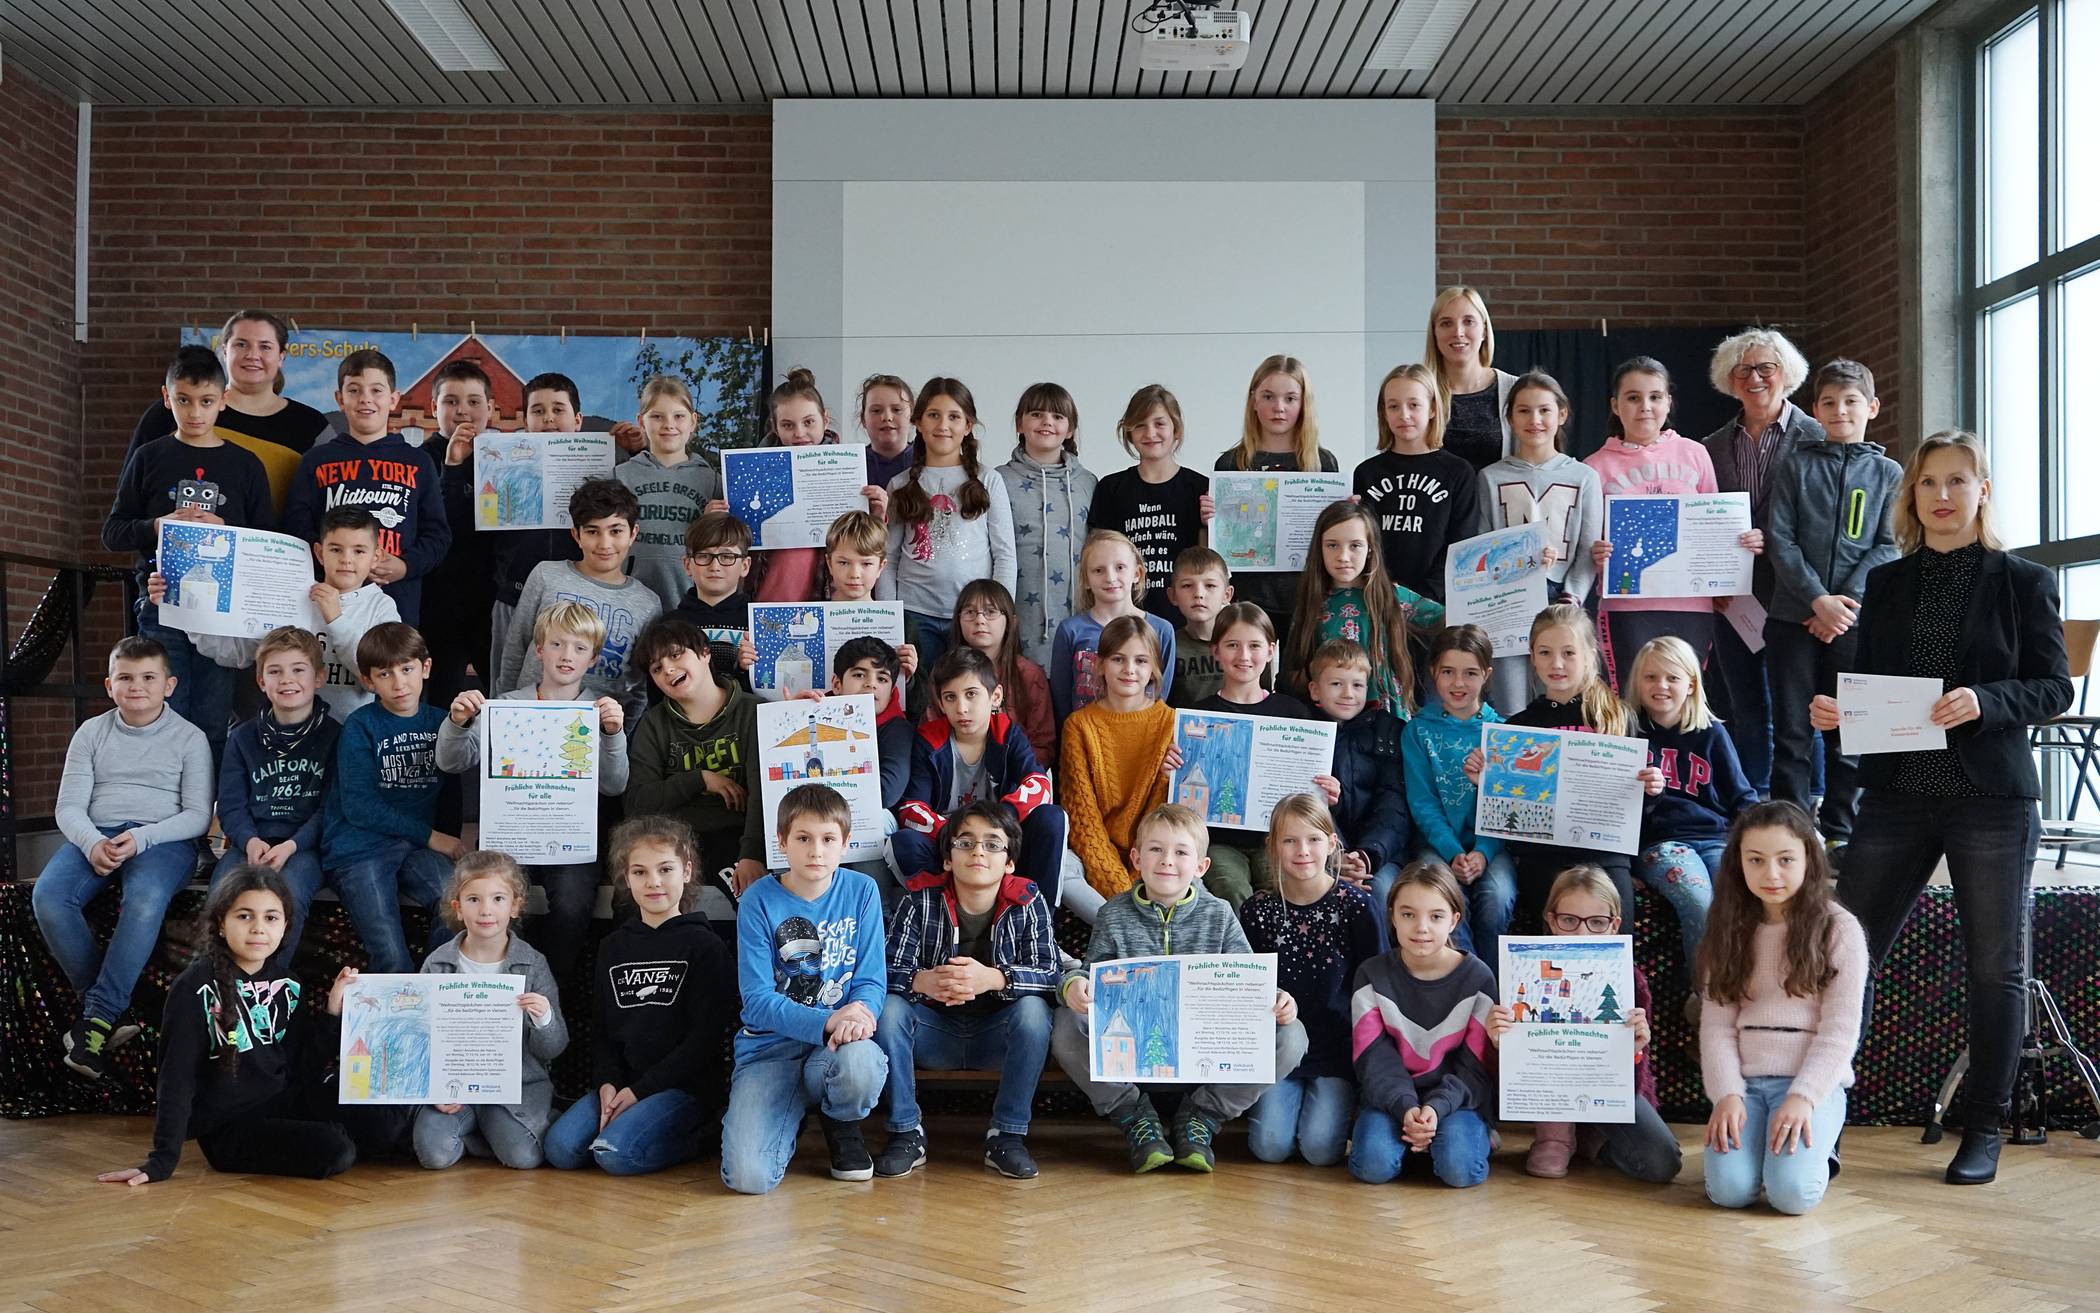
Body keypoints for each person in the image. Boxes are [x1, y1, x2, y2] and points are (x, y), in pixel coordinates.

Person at [1810, 429, 2072, 1185]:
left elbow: (2055, 687)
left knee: (1996, 968)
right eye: (1930, 482)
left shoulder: (2022, 580)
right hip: (1894, 796)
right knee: (1843, 957)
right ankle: (1819, 1115)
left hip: (1991, 797)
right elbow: (1866, 690)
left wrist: (1985, 701)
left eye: (1959, 481)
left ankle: (1984, 1125)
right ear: (1912, 493)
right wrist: (1837, 712)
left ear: (1982, 490)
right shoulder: (1887, 584)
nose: (1944, 495)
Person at [1050, 803, 1307, 1172]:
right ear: (1137, 858)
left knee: (1291, 1035)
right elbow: (1091, 977)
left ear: (1201, 867)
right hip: (1133, 1053)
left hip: (1204, 1056)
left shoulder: (1219, 915)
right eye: (1155, 849)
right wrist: (1074, 986)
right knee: (1065, 1022)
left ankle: (1202, 1117)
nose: (1167, 860)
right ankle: (1134, 1116)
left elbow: (1250, 985)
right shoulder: (1114, 914)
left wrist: (1278, 1000)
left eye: (1181, 852)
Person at [95, 868, 377, 1184]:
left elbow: (300, 1068)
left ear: (285, 927)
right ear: (220, 923)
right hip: (228, 1129)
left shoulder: (289, 985)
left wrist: (331, 1012)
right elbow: (176, 1078)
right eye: (245, 916)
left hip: (279, 1104)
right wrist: (161, 1159)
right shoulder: (194, 988)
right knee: (336, 1149)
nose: (258, 928)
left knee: (378, 1114)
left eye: (271, 918)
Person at [34, 636, 213, 1080]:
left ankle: (95, 1018)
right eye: (125, 678)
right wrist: (92, 842)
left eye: (148, 677)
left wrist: (143, 839)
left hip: (163, 840)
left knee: (146, 898)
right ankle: (105, 1012)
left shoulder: (190, 739)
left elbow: (196, 815)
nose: (137, 687)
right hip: (98, 834)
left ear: (168, 685)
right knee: (49, 897)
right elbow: (69, 806)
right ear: (109, 685)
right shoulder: (91, 733)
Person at [439, 601, 631, 981]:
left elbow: (614, 785)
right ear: (539, 650)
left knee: (575, 904)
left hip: (569, 838)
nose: (566, 656)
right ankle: (497, 984)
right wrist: (458, 723)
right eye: (557, 645)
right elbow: (451, 762)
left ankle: (550, 988)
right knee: (495, 900)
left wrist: (612, 735)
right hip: (510, 836)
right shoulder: (506, 707)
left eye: (579, 648)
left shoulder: (598, 711)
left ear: (593, 659)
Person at [102, 345, 274, 766]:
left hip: (220, 613)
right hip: (161, 602)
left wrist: (230, 534)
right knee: (164, 714)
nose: (195, 412)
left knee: (214, 717)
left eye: (206, 401)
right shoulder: (150, 457)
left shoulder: (245, 465)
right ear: (166, 397)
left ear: (224, 400)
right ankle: (164, 820)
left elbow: (269, 543)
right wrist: (158, 525)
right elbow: (113, 532)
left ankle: (205, 823)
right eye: (183, 400)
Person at [874, 801, 1060, 1180]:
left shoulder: (1028, 901)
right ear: (947, 859)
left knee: (1034, 1012)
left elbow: (1051, 973)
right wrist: (921, 981)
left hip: (996, 1036)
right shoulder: (919, 900)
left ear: (1009, 863)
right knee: (889, 1008)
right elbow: (884, 972)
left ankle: (1006, 1135)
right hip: (934, 1033)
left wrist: (995, 978)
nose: (978, 851)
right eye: (965, 843)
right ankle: (906, 1133)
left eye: (993, 844)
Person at [1698, 802, 1868, 1214]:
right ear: (1739, 863)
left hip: (1807, 1083)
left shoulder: (1838, 928)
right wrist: (1727, 1095)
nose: (1770, 874)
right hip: (1747, 1084)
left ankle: (1815, 1151)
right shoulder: (1727, 926)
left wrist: (1804, 1097)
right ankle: (1760, 1157)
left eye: (1785, 859)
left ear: (1809, 859)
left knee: (1792, 1196)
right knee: (1729, 1192)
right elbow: (1716, 1026)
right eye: (1755, 860)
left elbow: (1840, 1030)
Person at [720, 784, 890, 1194]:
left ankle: (840, 1120)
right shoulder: (758, 900)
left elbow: (870, 980)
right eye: (803, 838)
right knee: (748, 1179)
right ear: (781, 842)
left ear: (845, 844)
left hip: (835, 1046)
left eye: (828, 839)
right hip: (769, 1050)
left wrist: (860, 1014)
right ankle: (783, 1115)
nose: (816, 851)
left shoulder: (861, 890)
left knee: (862, 1064)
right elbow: (758, 1002)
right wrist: (831, 1019)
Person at [545, 816, 734, 1175]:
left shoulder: (705, 945)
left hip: (683, 1089)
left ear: (687, 870)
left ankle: (708, 1134)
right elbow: (601, 1031)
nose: (654, 882)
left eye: (665, 869)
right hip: (624, 1085)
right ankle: (622, 1127)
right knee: (560, 1150)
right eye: (640, 872)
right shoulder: (613, 947)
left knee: (614, 1155)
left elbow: (705, 1040)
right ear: (626, 878)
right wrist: (607, 1085)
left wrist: (641, 1091)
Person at [1765, 358, 1901, 849]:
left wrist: (1842, 606)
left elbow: (1889, 545)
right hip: (1790, 617)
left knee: (1849, 732)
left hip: (1855, 622)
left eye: (1851, 401)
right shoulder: (1795, 465)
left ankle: (1843, 833)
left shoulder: (1889, 473)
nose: (1840, 410)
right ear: (1815, 409)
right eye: (1829, 402)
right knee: (1792, 732)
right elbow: (1779, 539)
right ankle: (1793, 834)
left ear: (1872, 407)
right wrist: (1817, 600)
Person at [1485, 864, 1680, 1183]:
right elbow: (1506, 1074)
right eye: (1569, 920)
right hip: (1549, 1092)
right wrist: (1498, 1041)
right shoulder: (1523, 972)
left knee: (1661, 1162)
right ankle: (1555, 1138)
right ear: (1551, 919)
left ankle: (1590, 1141)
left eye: (1597, 923)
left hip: (1607, 1093)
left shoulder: (1630, 981)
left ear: (1614, 925)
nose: (1582, 933)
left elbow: (1632, 1084)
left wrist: (1634, 1051)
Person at [1585, 357, 1758, 690]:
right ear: (1615, 406)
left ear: (1668, 402)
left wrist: (1738, 548)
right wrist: (1595, 551)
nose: (1645, 407)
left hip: (1690, 605)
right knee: (1631, 702)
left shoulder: (1695, 453)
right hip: (1626, 607)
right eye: (1633, 397)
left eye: (1655, 397)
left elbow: (1715, 526)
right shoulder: (1594, 466)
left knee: (1682, 700)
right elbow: (1586, 544)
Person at [1704, 328, 1825, 796]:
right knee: (1744, 704)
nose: (1754, 378)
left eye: (1765, 368)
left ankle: (1808, 800)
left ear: (1786, 375)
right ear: (1730, 380)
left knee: (1799, 705)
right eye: (1743, 370)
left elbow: (1823, 523)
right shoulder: (1710, 447)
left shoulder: (1816, 437)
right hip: (1733, 596)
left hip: (1797, 593)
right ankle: (1753, 798)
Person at [1240, 794, 1384, 1166]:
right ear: (1273, 847)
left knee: (1320, 1151)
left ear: (1332, 844)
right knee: (1269, 1147)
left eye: (1313, 839)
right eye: (1289, 840)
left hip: (1337, 1047)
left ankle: (1342, 1107)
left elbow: (1375, 982)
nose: (1302, 850)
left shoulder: (1356, 905)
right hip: (1281, 1046)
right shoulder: (1258, 911)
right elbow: (1247, 985)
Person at [320, 623, 460, 975]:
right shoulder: (360, 725)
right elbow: (359, 806)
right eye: (385, 674)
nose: (399, 683)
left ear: (425, 669)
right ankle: (394, 1022)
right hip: (359, 849)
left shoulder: (443, 723)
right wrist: (433, 837)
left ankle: (431, 994)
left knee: (457, 907)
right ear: (369, 681)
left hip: (413, 848)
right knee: (391, 954)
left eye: (407, 669)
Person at [413, 853, 569, 1171]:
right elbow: (420, 1038)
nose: (486, 910)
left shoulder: (533, 963)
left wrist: (544, 1018)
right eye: (473, 899)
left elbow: (554, 1048)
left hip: (515, 1088)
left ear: (515, 906)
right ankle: (484, 1131)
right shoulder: (438, 963)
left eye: (498, 898)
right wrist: (433, 1092)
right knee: (435, 1155)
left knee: (523, 1157)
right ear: (458, 907)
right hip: (454, 1088)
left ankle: (502, 1128)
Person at [1346, 860, 1496, 1188]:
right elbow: (1373, 1059)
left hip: (1455, 1101)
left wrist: (1437, 1109)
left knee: (1460, 1170)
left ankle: (1463, 1138)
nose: (1421, 928)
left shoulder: (1479, 979)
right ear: (1392, 915)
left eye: (1436, 916)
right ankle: (1418, 1145)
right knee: (1373, 1166)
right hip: (1390, 1099)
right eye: (1408, 914)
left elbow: (1475, 1068)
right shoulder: (1371, 975)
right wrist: (1406, 1108)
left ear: (1455, 920)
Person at [176, 507, 400, 722]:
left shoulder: (381, 606)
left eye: (359, 551)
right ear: (320, 553)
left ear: (376, 557)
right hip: (288, 732)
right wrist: (186, 609)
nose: (346, 559)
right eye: (335, 549)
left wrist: (336, 619)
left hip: (350, 732)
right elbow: (237, 653)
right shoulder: (290, 595)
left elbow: (378, 677)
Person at [281, 349, 450, 626]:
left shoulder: (418, 462)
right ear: (340, 399)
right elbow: (296, 528)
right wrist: (333, 561)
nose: (365, 399)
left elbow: (437, 535)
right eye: (354, 390)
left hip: (397, 603)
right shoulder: (316, 460)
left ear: (394, 399)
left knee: (387, 668)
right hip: (327, 603)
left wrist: (405, 565)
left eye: (376, 390)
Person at [1476, 370, 1603, 714]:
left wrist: (1569, 600)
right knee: (1512, 706)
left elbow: (1587, 550)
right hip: (1507, 604)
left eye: (1545, 410)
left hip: (1562, 601)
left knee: (1566, 702)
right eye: (1524, 411)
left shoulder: (1584, 477)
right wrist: (1517, 563)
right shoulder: (1490, 478)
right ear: (1509, 417)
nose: (1535, 420)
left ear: (1561, 415)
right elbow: (1481, 550)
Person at [1169, 602, 1309, 908]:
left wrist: (1324, 791)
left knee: (1288, 887)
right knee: (1231, 889)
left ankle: (1285, 957)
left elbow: (1310, 790)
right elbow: (1178, 795)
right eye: (1232, 645)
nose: (1244, 656)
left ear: (1271, 651)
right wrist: (1169, 771)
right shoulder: (1196, 717)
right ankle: (1241, 958)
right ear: (1216, 651)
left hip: (1279, 838)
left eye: (1255, 646)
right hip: (1220, 842)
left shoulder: (1294, 713)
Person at [123, 309, 331, 514]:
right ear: (224, 351)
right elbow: (130, 499)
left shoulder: (312, 426)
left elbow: (328, 503)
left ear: (281, 357)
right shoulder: (170, 412)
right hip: (172, 544)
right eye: (241, 344)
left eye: (265, 347)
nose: (252, 355)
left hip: (276, 546)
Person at [896, 647, 1066, 894]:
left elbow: (1039, 785)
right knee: (904, 843)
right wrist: (956, 832)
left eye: (971, 694)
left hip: (1000, 839)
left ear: (995, 696)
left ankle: (1038, 915)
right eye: (950, 697)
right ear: (941, 703)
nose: (961, 708)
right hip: (951, 842)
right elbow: (911, 809)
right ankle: (942, 912)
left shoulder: (1007, 733)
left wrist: (998, 820)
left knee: (1051, 817)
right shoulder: (929, 740)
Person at [1631, 636, 1756, 971]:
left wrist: (1753, 847)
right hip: (1662, 843)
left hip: (1716, 840)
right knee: (1699, 900)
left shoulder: (1712, 733)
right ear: (1637, 683)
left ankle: (1747, 993)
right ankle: (1705, 1000)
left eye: (1672, 678)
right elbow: (1613, 811)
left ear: (1690, 684)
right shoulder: (1629, 735)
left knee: (1739, 900)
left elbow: (1743, 798)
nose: (1661, 686)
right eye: (1651, 677)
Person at [210, 626, 338, 952]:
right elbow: (231, 805)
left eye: (298, 670)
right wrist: (250, 841)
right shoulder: (242, 738)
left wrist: (293, 846)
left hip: (306, 847)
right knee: (221, 898)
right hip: (251, 843)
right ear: (261, 681)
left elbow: (332, 808)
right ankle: (223, 987)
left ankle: (271, 987)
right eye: (275, 671)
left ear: (318, 678)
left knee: (287, 896)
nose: (286, 680)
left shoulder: (336, 736)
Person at [498, 478, 661, 725]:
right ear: (576, 534)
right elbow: (515, 648)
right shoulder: (546, 575)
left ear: (633, 533)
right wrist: (501, 710)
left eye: (616, 531)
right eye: (593, 531)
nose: (605, 544)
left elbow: (638, 685)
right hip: (527, 719)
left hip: (593, 732)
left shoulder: (647, 603)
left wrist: (617, 737)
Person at [879, 377, 1017, 668]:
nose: (943, 425)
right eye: (933, 415)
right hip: (915, 614)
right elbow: (888, 559)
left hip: (972, 617)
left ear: (967, 426)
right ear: (918, 422)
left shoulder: (988, 480)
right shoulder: (900, 484)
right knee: (921, 700)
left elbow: (1004, 554)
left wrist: (997, 613)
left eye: (954, 417)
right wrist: (890, 618)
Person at [1401, 625, 1511, 959]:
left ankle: (1491, 987)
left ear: (1487, 675)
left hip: (1491, 846)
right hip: (1437, 847)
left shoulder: (1504, 733)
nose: (1458, 683)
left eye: (1470, 673)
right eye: (1448, 672)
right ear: (1434, 671)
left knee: (1498, 896)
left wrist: (1484, 852)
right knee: (1446, 897)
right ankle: (1463, 984)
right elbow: (1423, 803)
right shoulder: (1418, 731)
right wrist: (1452, 853)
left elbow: (1508, 807)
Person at [1058, 615, 1175, 924]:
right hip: (1093, 854)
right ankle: (1126, 928)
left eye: (1141, 660)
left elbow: (1164, 813)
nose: (1129, 670)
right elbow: (1083, 821)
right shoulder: (1079, 726)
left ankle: (1127, 927)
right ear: (1099, 665)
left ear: (1154, 669)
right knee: (1064, 874)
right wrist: (1122, 891)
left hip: (1154, 853)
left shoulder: (1172, 724)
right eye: (1118, 659)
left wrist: (1139, 876)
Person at [628, 616, 760, 888]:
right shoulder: (653, 724)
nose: (668, 669)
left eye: (676, 655)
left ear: (704, 653)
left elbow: (763, 794)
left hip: (738, 838)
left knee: (752, 894)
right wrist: (699, 779)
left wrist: (752, 854)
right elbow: (637, 803)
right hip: (672, 841)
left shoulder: (754, 713)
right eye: (657, 668)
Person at [1215, 355, 1338, 646]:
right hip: (1249, 595)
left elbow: (1334, 535)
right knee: (1250, 682)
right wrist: (1211, 516)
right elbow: (1218, 539)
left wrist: (1345, 514)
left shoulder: (1322, 462)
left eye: (1290, 398)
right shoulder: (1231, 463)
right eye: (1268, 396)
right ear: (1253, 401)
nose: (1278, 407)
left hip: (1307, 595)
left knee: (1301, 683)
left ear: (1304, 404)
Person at [1283, 499, 1439, 711]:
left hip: (1386, 721)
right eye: (1332, 545)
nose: (1343, 556)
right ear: (1320, 549)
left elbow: (1448, 618)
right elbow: (1295, 669)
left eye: (1355, 545)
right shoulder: (1312, 602)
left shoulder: (1390, 596)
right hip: (1333, 719)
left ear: (1370, 549)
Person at [752, 369, 888, 605]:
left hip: (833, 598)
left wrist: (876, 515)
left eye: (809, 422)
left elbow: (863, 544)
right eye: (787, 425)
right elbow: (736, 540)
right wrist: (724, 517)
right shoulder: (754, 472)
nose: (799, 433)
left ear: (825, 420)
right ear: (774, 426)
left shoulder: (848, 470)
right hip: (771, 598)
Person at [1304, 640, 1412, 930]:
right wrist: (1336, 855)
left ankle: (1378, 966)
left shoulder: (1388, 730)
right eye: (1336, 684)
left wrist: (1366, 855)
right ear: (1315, 689)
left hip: (1379, 853)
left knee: (1381, 889)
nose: (1348, 694)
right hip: (1324, 850)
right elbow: (1300, 806)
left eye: (1358, 685)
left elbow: (1394, 802)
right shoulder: (1302, 731)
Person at [1353, 362, 1480, 606]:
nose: (1404, 414)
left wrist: (1422, 599)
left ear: (1433, 408)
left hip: (1435, 605)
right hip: (1378, 600)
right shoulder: (1366, 473)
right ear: (1384, 412)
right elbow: (1362, 544)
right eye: (1393, 406)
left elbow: (1461, 546)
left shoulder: (1459, 473)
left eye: (1413, 404)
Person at [1088, 384, 1212, 630]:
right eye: (1140, 425)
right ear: (1129, 432)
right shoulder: (1110, 488)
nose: (1150, 433)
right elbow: (1098, 555)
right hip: (1124, 617)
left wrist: (1212, 525)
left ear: (1176, 429)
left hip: (1183, 620)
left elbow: (1208, 560)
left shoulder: (1199, 487)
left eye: (1159, 424)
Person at [419, 360, 500, 708]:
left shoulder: (508, 456)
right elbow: (436, 526)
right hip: (439, 603)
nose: (462, 411)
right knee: (441, 702)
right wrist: (452, 467)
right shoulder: (418, 460)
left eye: (473, 401)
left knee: (503, 697)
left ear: (491, 408)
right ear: (433, 407)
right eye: (450, 401)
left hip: (494, 601)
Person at [998, 381, 1096, 669]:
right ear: (1019, 424)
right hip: (1018, 616)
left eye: (1057, 416)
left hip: (1078, 618)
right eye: (1037, 414)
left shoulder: (1087, 483)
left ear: (1070, 429)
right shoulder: (997, 480)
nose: (1047, 422)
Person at [618, 374, 724, 616]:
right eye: (657, 416)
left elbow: (727, 545)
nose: (669, 424)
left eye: (679, 416)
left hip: (690, 602)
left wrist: (710, 525)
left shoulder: (713, 481)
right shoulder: (620, 476)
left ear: (693, 421)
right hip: (630, 602)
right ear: (641, 421)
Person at [1050, 529, 1178, 719]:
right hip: (1084, 740)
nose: (1110, 577)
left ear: (1137, 573)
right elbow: (1061, 703)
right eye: (1098, 570)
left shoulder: (1161, 630)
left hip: (1142, 738)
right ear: (1086, 579)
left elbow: (1161, 697)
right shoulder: (1070, 630)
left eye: (1120, 567)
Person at [949, 579, 1055, 762]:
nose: (979, 620)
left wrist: (1013, 776)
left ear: (1011, 621)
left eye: (990, 612)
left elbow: (1043, 745)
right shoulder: (945, 671)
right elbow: (931, 734)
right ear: (958, 620)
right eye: (970, 612)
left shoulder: (1029, 674)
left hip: (1015, 781)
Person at [1423, 286, 1518, 471]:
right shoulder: (1420, 392)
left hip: (1498, 500)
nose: (1458, 332)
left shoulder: (1515, 390)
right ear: (1434, 332)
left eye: (1468, 321)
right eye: (1446, 323)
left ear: (1484, 330)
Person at [673, 511, 757, 679]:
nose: (715, 566)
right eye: (704, 556)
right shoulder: (670, 626)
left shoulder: (761, 623)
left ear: (745, 566)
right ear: (688, 565)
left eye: (727, 557)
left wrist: (745, 668)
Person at [1166, 545, 1233, 708]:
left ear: (1227, 595)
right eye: (1187, 586)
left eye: (1210, 585)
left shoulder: (1243, 645)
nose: (1199, 594)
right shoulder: (1169, 645)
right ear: (1173, 595)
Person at [857, 373, 918, 492]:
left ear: (912, 416)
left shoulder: (928, 463)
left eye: (896, 410)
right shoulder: (851, 467)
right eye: (876, 410)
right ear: (863, 419)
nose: (887, 417)